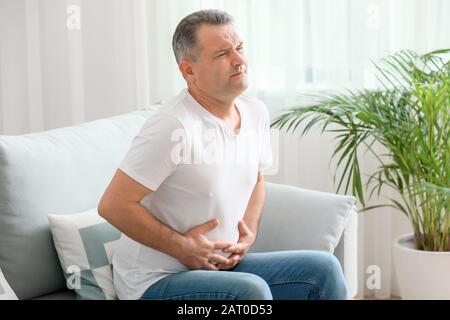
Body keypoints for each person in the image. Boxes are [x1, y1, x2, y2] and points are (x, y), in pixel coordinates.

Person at [98, 9, 348, 300]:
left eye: (239, 48)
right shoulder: (172, 125)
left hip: (221, 268)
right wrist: (182, 247)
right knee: (250, 293)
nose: (240, 60)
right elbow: (113, 205)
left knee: (324, 269)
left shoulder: (255, 111)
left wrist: (248, 232)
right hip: (155, 281)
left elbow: (257, 178)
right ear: (188, 70)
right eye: (222, 54)